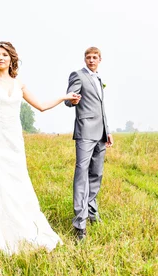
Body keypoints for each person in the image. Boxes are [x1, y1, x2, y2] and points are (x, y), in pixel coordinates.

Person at [0, 41, 80, 254]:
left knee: (17, 183)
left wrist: (64, 97)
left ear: (12, 58)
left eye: (4, 54)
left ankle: (20, 232)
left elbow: (40, 106)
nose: (0, 58)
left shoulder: (19, 84)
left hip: (14, 140)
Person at [64, 46, 114, 241]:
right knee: (81, 175)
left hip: (100, 133)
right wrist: (72, 101)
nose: (91, 60)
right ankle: (80, 224)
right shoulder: (77, 75)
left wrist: (107, 131)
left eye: (94, 57)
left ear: (100, 59)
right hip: (85, 132)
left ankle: (92, 213)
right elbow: (69, 99)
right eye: (88, 57)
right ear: (85, 59)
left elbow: (102, 108)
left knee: (97, 174)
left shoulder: (99, 79)